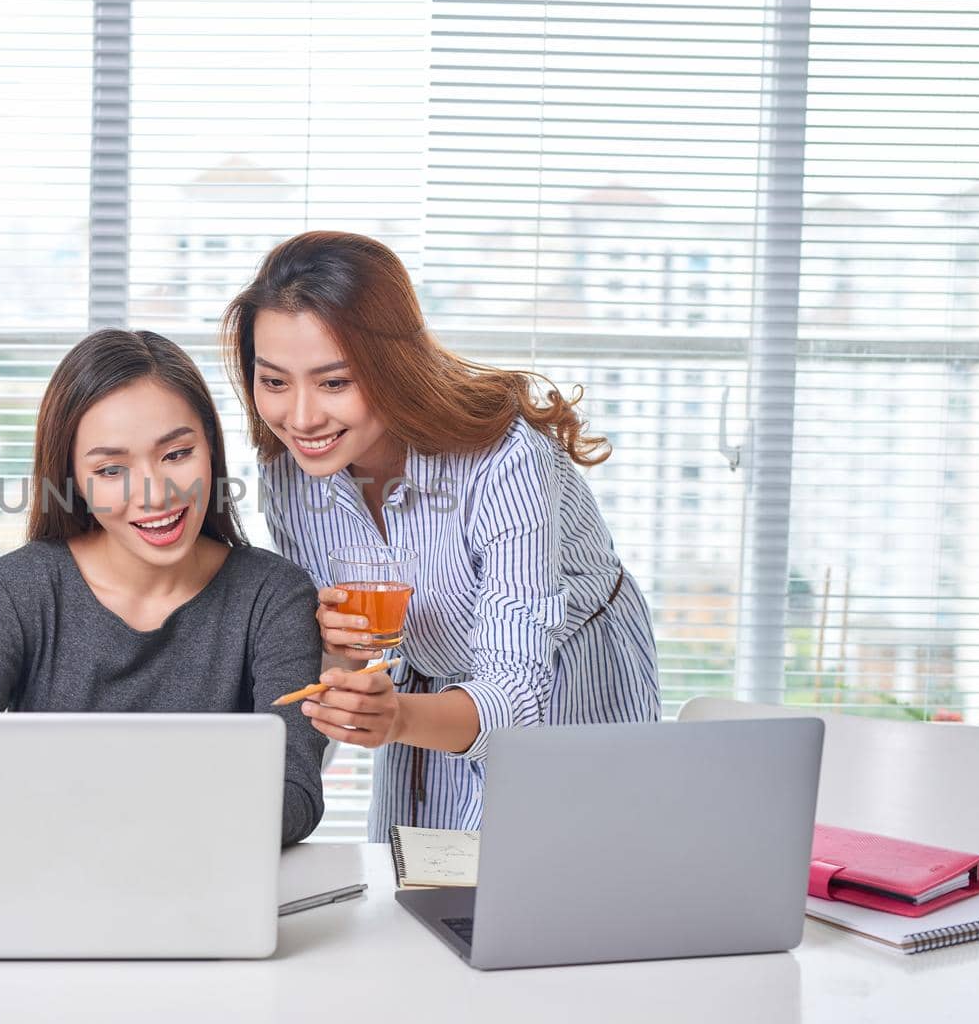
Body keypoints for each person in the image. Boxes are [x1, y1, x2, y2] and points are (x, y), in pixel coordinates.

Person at [222, 231, 659, 842]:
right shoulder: (290, 475)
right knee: (418, 897)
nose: (301, 418)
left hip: (563, 688)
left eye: (334, 382)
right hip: (424, 696)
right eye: (273, 382)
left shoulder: (505, 463)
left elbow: (516, 694)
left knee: (554, 898)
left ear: (392, 368)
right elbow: (349, 644)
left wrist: (396, 716)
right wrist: (342, 658)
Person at [0, 329, 326, 844]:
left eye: (177, 454)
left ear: (211, 448)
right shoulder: (13, 592)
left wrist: (78, 808)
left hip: (205, 892)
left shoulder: (274, 596)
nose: (155, 494)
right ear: (71, 478)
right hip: (46, 888)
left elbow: (294, 796)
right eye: (111, 469)